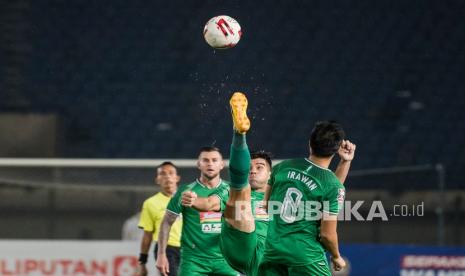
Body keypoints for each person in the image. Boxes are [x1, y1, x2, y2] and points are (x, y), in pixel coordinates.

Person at [182, 92, 355, 276]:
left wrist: (344, 162)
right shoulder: (228, 190)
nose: (253, 170)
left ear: (271, 174)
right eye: (249, 166)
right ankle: (239, 133)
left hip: (269, 257)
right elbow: (209, 203)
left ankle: (239, 133)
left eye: (259, 166)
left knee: (240, 201)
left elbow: (329, 187)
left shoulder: (284, 170)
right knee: (240, 200)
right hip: (252, 246)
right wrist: (194, 200)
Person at [259, 119, 356, 276]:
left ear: (310, 143)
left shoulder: (282, 167)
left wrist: (345, 162)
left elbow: (266, 205)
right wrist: (336, 256)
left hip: (272, 251)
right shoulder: (332, 186)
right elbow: (327, 234)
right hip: (305, 257)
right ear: (336, 148)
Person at [156, 147, 239, 276]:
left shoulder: (233, 190)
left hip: (226, 260)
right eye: (205, 160)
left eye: (214, 160)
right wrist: (161, 254)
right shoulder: (185, 191)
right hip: (193, 261)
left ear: (222, 164)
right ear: (198, 164)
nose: (210, 163)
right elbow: (167, 221)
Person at [137, 161, 183, 276]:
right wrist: (142, 263)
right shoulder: (150, 203)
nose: (167, 176)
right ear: (157, 180)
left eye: (171, 173)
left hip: (190, 248)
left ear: (177, 178)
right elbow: (147, 235)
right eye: (163, 173)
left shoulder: (189, 199)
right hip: (166, 249)